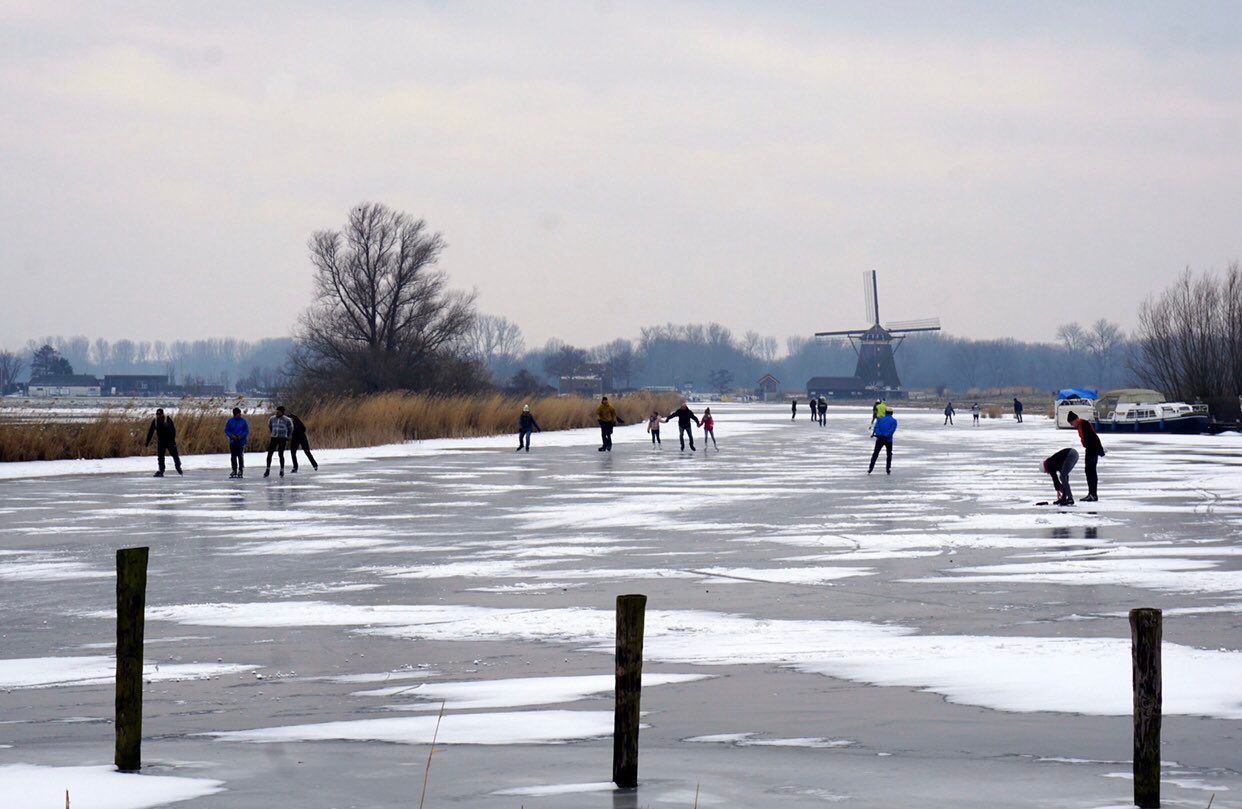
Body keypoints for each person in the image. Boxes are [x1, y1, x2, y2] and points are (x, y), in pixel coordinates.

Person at [1067, 411, 1105, 501]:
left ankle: (1093, 495)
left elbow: (1094, 437)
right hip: (1089, 449)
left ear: (1076, 419)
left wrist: (1099, 450)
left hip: (1092, 450)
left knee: (1090, 471)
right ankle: (1091, 493)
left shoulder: (1084, 424)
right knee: (1089, 471)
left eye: (1072, 423)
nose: (1072, 425)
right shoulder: (1081, 425)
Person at [145, 408, 182, 477]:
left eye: (160, 415)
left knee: (175, 455)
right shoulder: (155, 421)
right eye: (157, 415)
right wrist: (147, 442)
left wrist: (172, 440)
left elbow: (173, 431)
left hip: (170, 441)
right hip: (161, 442)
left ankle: (178, 467)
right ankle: (161, 471)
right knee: (160, 457)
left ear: (163, 414)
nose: (158, 416)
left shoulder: (167, 420)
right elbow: (150, 432)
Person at [265, 405, 294, 477]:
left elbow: (291, 428)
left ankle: (282, 470)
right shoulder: (272, 418)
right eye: (276, 411)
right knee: (269, 454)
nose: (277, 412)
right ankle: (267, 469)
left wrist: (288, 436)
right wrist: (272, 432)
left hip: (282, 438)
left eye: (278, 411)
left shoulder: (287, 419)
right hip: (274, 438)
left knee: (281, 454)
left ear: (282, 412)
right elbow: (270, 426)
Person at [869, 408, 897, 475]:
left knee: (875, 453)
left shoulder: (880, 420)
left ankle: (870, 468)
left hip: (879, 439)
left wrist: (880, 435)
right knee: (889, 454)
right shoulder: (894, 421)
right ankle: (888, 469)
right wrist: (886, 436)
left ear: (885, 412)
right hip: (888, 440)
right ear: (892, 413)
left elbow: (876, 428)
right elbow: (892, 430)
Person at [224, 407, 249, 479]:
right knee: (233, 457)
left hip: (241, 441)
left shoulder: (243, 421)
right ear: (234, 414)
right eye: (238, 414)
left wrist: (241, 436)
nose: (240, 415)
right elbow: (227, 430)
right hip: (233, 441)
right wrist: (231, 436)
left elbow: (246, 431)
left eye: (240, 414)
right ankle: (234, 470)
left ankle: (240, 470)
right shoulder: (230, 421)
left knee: (240, 456)